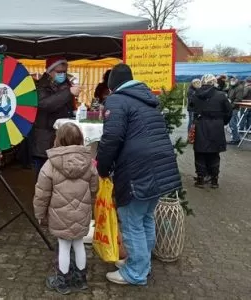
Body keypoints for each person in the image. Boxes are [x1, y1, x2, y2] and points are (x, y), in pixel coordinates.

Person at [96, 63, 182, 286]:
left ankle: (136, 272)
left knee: (132, 222)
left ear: (112, 84)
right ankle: (142, 264)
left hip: (137, 169)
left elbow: (111, 139)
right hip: (160, 169)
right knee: (145, 218)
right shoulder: (148, 100)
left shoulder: (117, 100)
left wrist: (102, 168)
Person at [33, 123, 98, 295]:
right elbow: (94, 188)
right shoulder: (89, 162)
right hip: (82, 213)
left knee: (63, 245)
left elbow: (42, 194)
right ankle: (81, 279)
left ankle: (62, 280)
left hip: (59, 215)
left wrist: (40, 214)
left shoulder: (50, 165)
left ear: (58, 140)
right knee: (78, 244)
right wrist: (89, 204)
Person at [32, 57, 82, 178]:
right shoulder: (41, 86)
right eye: (59, 72)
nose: (63, 74)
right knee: (43, 176)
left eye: (65, 71)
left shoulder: (66, 84)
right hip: (44, 138)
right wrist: (68, 93)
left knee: (60, 177)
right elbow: (45, 104)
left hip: (61, 138)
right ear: (50, 71)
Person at [191, 74, 232, 188]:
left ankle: (200, 179)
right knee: (214, 153)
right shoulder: (221, 95)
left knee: (200, 153)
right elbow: (229, 112)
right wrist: (222, 122)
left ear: (203, 82)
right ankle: (214, 180)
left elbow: (191, 108)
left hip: (201, 124)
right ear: (214, 82)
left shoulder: (196, 94)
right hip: (216, 126)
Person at [227, 76, 244, 145]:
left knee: (232, 123)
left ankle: (236, 139)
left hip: (234, 108)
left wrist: (230, 107)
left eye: (234, 79)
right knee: (232, 123)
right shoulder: (232, 86)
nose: (232, 80)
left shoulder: (239, 87)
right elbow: (229, 95)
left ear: (237, 79)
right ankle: (235, 138)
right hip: (231, 107)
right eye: (231, 79)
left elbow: (238, 99)